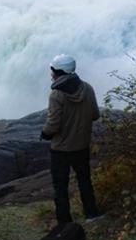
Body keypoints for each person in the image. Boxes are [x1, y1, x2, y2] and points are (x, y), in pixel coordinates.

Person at [40, 53, 101, 224]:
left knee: (60, 187)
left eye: (52, 70)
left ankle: (65, 223)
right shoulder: (87, 88)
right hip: (82, 145)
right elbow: (95, 115)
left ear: (59, 72)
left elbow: (53, 124)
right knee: (85, 181)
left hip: (61, 149)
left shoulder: (56, 94)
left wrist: (45, 133)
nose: (51, 73)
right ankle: (91, 214)